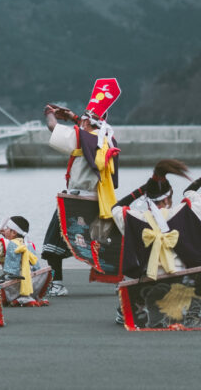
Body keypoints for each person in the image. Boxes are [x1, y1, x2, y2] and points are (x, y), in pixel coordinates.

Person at [40, 77, 121, 296]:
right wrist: (74, 116)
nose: (80, 122)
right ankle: (120, 282)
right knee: (107, 241)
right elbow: (86, 129)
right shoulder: (107, 140)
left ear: (88, 123)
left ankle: (56, 284)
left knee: (53, 241)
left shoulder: (80, 137)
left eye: (83, 119)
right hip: (100, 199)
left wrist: (49, 111)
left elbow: (52, 127)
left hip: (75, 200)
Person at [111, 159, 201, 281]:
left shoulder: (135, 218)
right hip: (180, 276)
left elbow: (115, 208)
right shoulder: (182, 213)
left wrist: (140, 191)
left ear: (147, 198)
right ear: (165, 200)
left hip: (149, 279)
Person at [0, 215, 42, 304]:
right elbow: (37, 266)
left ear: (13, 233)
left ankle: (16, 296)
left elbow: (12, 271)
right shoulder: (28, 244)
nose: (4, 230)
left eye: (7, 228)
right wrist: (5, 233)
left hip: (18, 282)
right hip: (32, 281)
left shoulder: (11, 244)